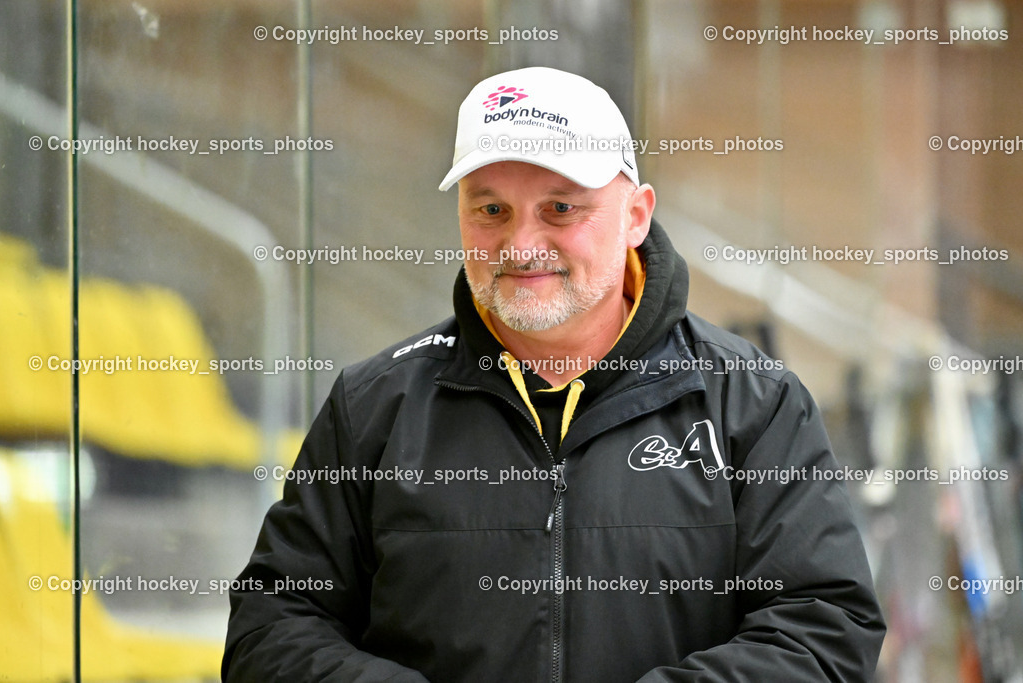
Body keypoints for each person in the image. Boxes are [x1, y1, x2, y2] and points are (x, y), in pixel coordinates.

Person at [222, 66, 885, 682]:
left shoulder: (753, 404)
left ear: (636, 215)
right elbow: (270, 626)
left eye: (561, 208)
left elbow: (824, 629)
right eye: (491, 210)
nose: (522, 244)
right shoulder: (374, 407)